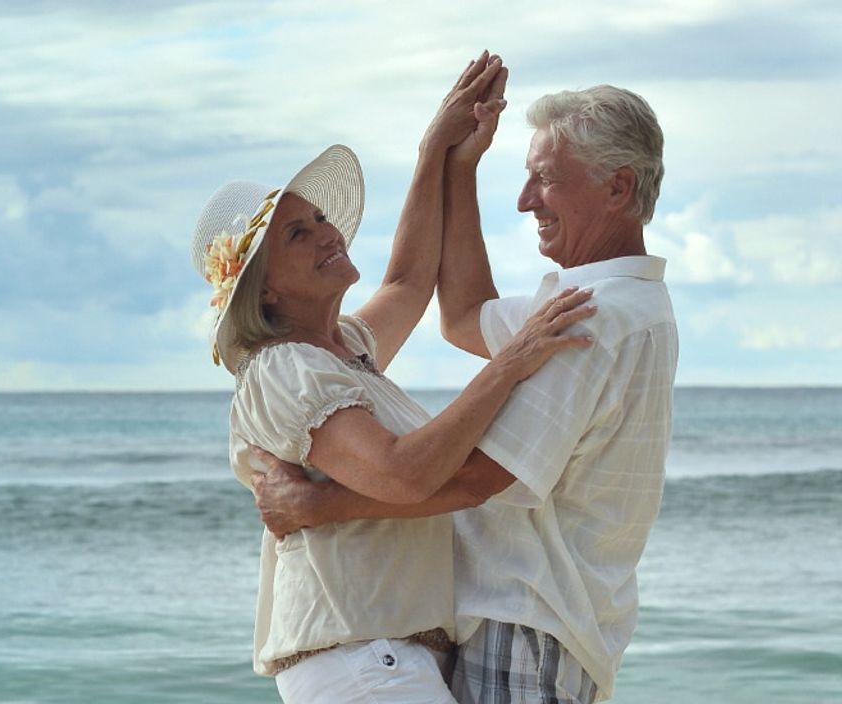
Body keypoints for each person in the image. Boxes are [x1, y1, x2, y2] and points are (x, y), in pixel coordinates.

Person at [250, 81, 677, 704]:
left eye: (546, 179)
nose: (527, 200)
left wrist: (317, 507)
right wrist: (456, 163)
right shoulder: (616, 304)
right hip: (550, 623)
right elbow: (463, 313)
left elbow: (477, 479)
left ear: (618, 188)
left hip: (525, 619)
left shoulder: (590, 316)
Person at [193, 53, 598, 702]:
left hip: (382, 660)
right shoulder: (286, 370)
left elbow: (410, 281)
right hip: (363, 661)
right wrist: (512, 362)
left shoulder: (342, 350)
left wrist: (438, 152)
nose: (328, 234)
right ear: (266, 293)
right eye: (299, 234)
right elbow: (407, 474)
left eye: (319, 218)